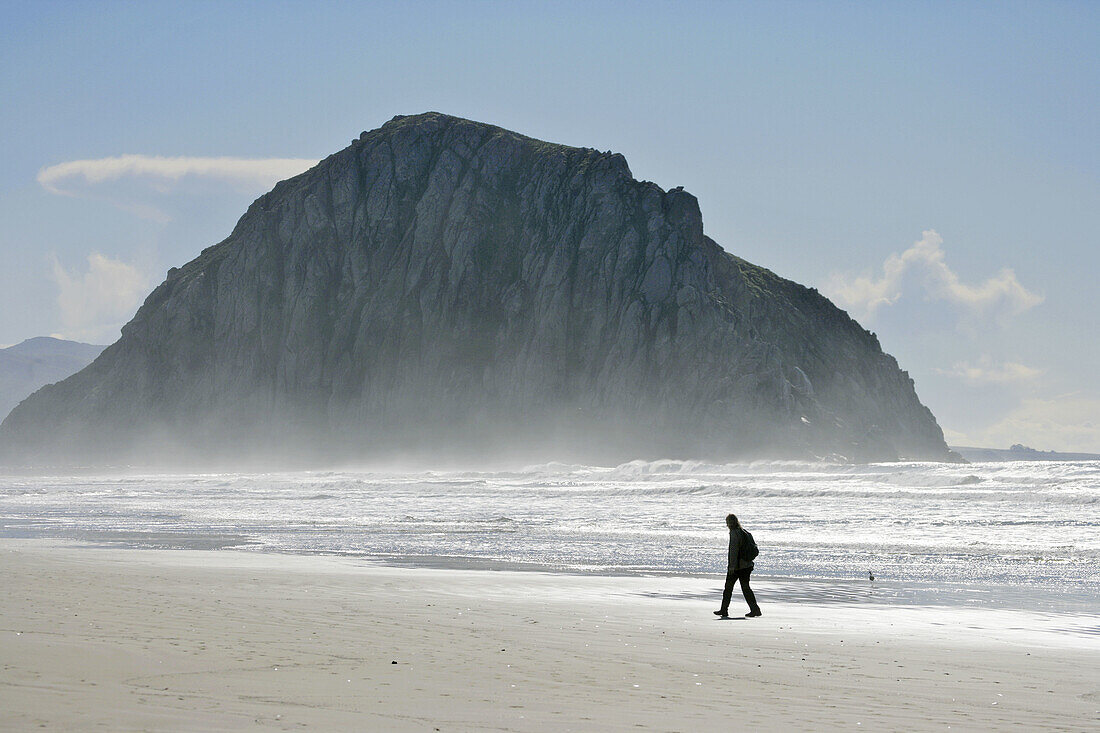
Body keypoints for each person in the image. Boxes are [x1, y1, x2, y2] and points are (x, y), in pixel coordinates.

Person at [714, 513, 761, 618]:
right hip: (747, 565)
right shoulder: (745, 532)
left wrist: (731, 567)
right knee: (745, 588)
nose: (728, 524)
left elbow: (733, 551)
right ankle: (755, 610)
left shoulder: (734, 533)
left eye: (728, 522)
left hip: (738, 566)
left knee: (728, 588)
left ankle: (724, 610)